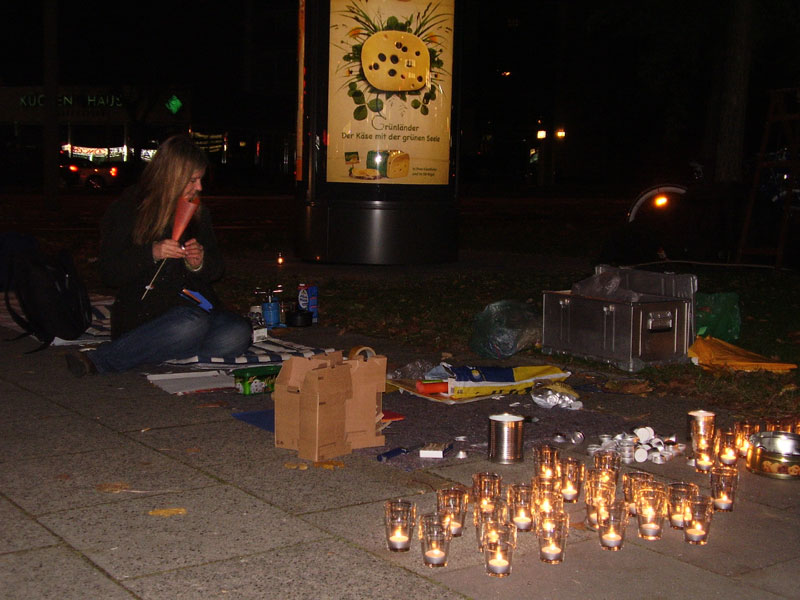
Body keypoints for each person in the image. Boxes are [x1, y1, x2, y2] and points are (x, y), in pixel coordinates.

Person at [66, 134, 252, 376]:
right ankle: (101, 360)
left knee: (238, 331)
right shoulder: (131, 207)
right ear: (171, 177)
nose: (199, 187)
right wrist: (151, 253)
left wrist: (199, 263)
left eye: (200, 179)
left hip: (192, 306)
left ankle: (153, 350)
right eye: (193, 180)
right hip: (145, 314)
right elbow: (109, 272)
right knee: (190, 324)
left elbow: (216, 270)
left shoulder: (197, 212)